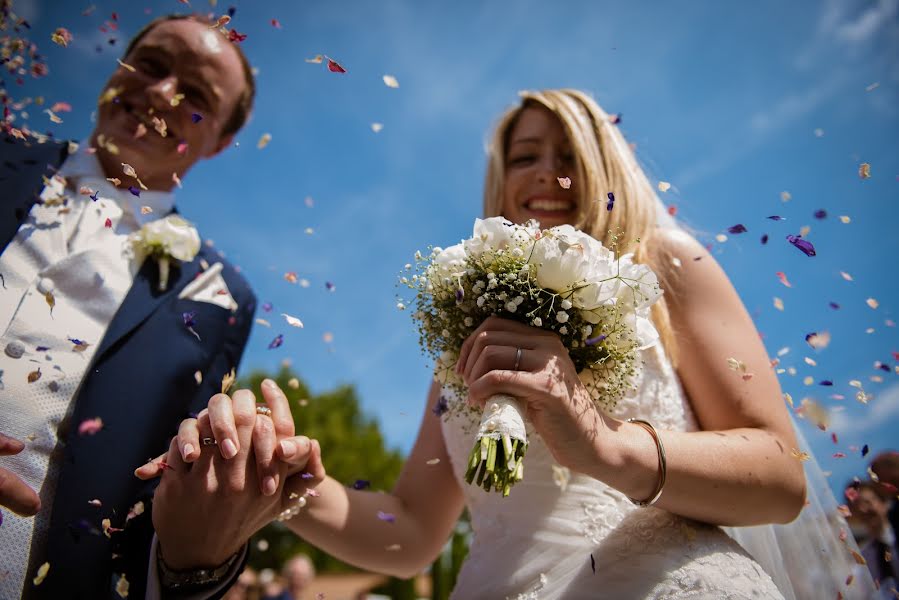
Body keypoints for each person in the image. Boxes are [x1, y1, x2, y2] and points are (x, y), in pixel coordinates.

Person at [148, 89, 874, 598]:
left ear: (607, 165)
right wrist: (293, 490)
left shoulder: (665, 264)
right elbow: (410, 532)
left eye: (570, 154)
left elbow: (779, 474)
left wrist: (605, 445)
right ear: (501, 180)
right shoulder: (465, 331)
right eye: (525, 156)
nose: (548, 175)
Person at [0, 14, 269, 599]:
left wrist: (208, 548)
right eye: (150, 64)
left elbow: (162, 501)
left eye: (195, 94)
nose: (161, 91)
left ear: (220, 141)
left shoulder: (223, 296)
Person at [848, 481, 898, 597]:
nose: (863, 509)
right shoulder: (865, 557)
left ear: (883, 503)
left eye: (867, 502)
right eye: (857, 506)